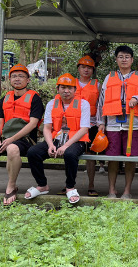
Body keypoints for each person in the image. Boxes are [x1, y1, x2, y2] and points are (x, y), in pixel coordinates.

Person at [0, 64, 45, 205]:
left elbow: (33, 124)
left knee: (12, 148)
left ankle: (11, 186)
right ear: (10, 79)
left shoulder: (35, 98)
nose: (17, 79)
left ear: (28, 80)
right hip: (4, 138)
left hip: (25, 139)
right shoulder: (5, 98)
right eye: (14, 76)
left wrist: (12, 139)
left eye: (21, 76)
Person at [25, 73, 90, 204]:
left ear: (75, 90)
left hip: (77, 140)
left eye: (70, 88)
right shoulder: (51, 104)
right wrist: (50, 145)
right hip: (56, 139)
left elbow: (84, 129)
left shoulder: (84, 104)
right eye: (63, 87)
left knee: (70, 154)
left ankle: (70, 187)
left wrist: (66, 146)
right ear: (57, 88)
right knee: (33, 152)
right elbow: (47, 128)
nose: (66, 91)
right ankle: (42, 185)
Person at [97, 45, 138, 199]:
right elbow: (101, 101)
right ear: (116, 59)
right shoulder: (109, 77)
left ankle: (127, 191)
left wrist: (136, 98)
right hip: (112, 124)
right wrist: (101, 123)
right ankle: (111, 190)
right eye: (121, 56)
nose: (124, 59)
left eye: (127, 57)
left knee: (130, 158)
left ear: (132, 60)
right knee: (112, 158)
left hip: (132, 125)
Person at [74, 55, 102, 197]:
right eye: (83, 67)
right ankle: (69, 184)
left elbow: (101, 105)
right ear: (78, 68)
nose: (86, 70)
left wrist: (100, 123)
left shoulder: (97, 85)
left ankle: (91, 185)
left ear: (93, 70)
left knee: (91, 154)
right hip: (74, 124)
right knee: (69, 153)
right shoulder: (70, 84)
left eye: (89, 68)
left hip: (91, 124)